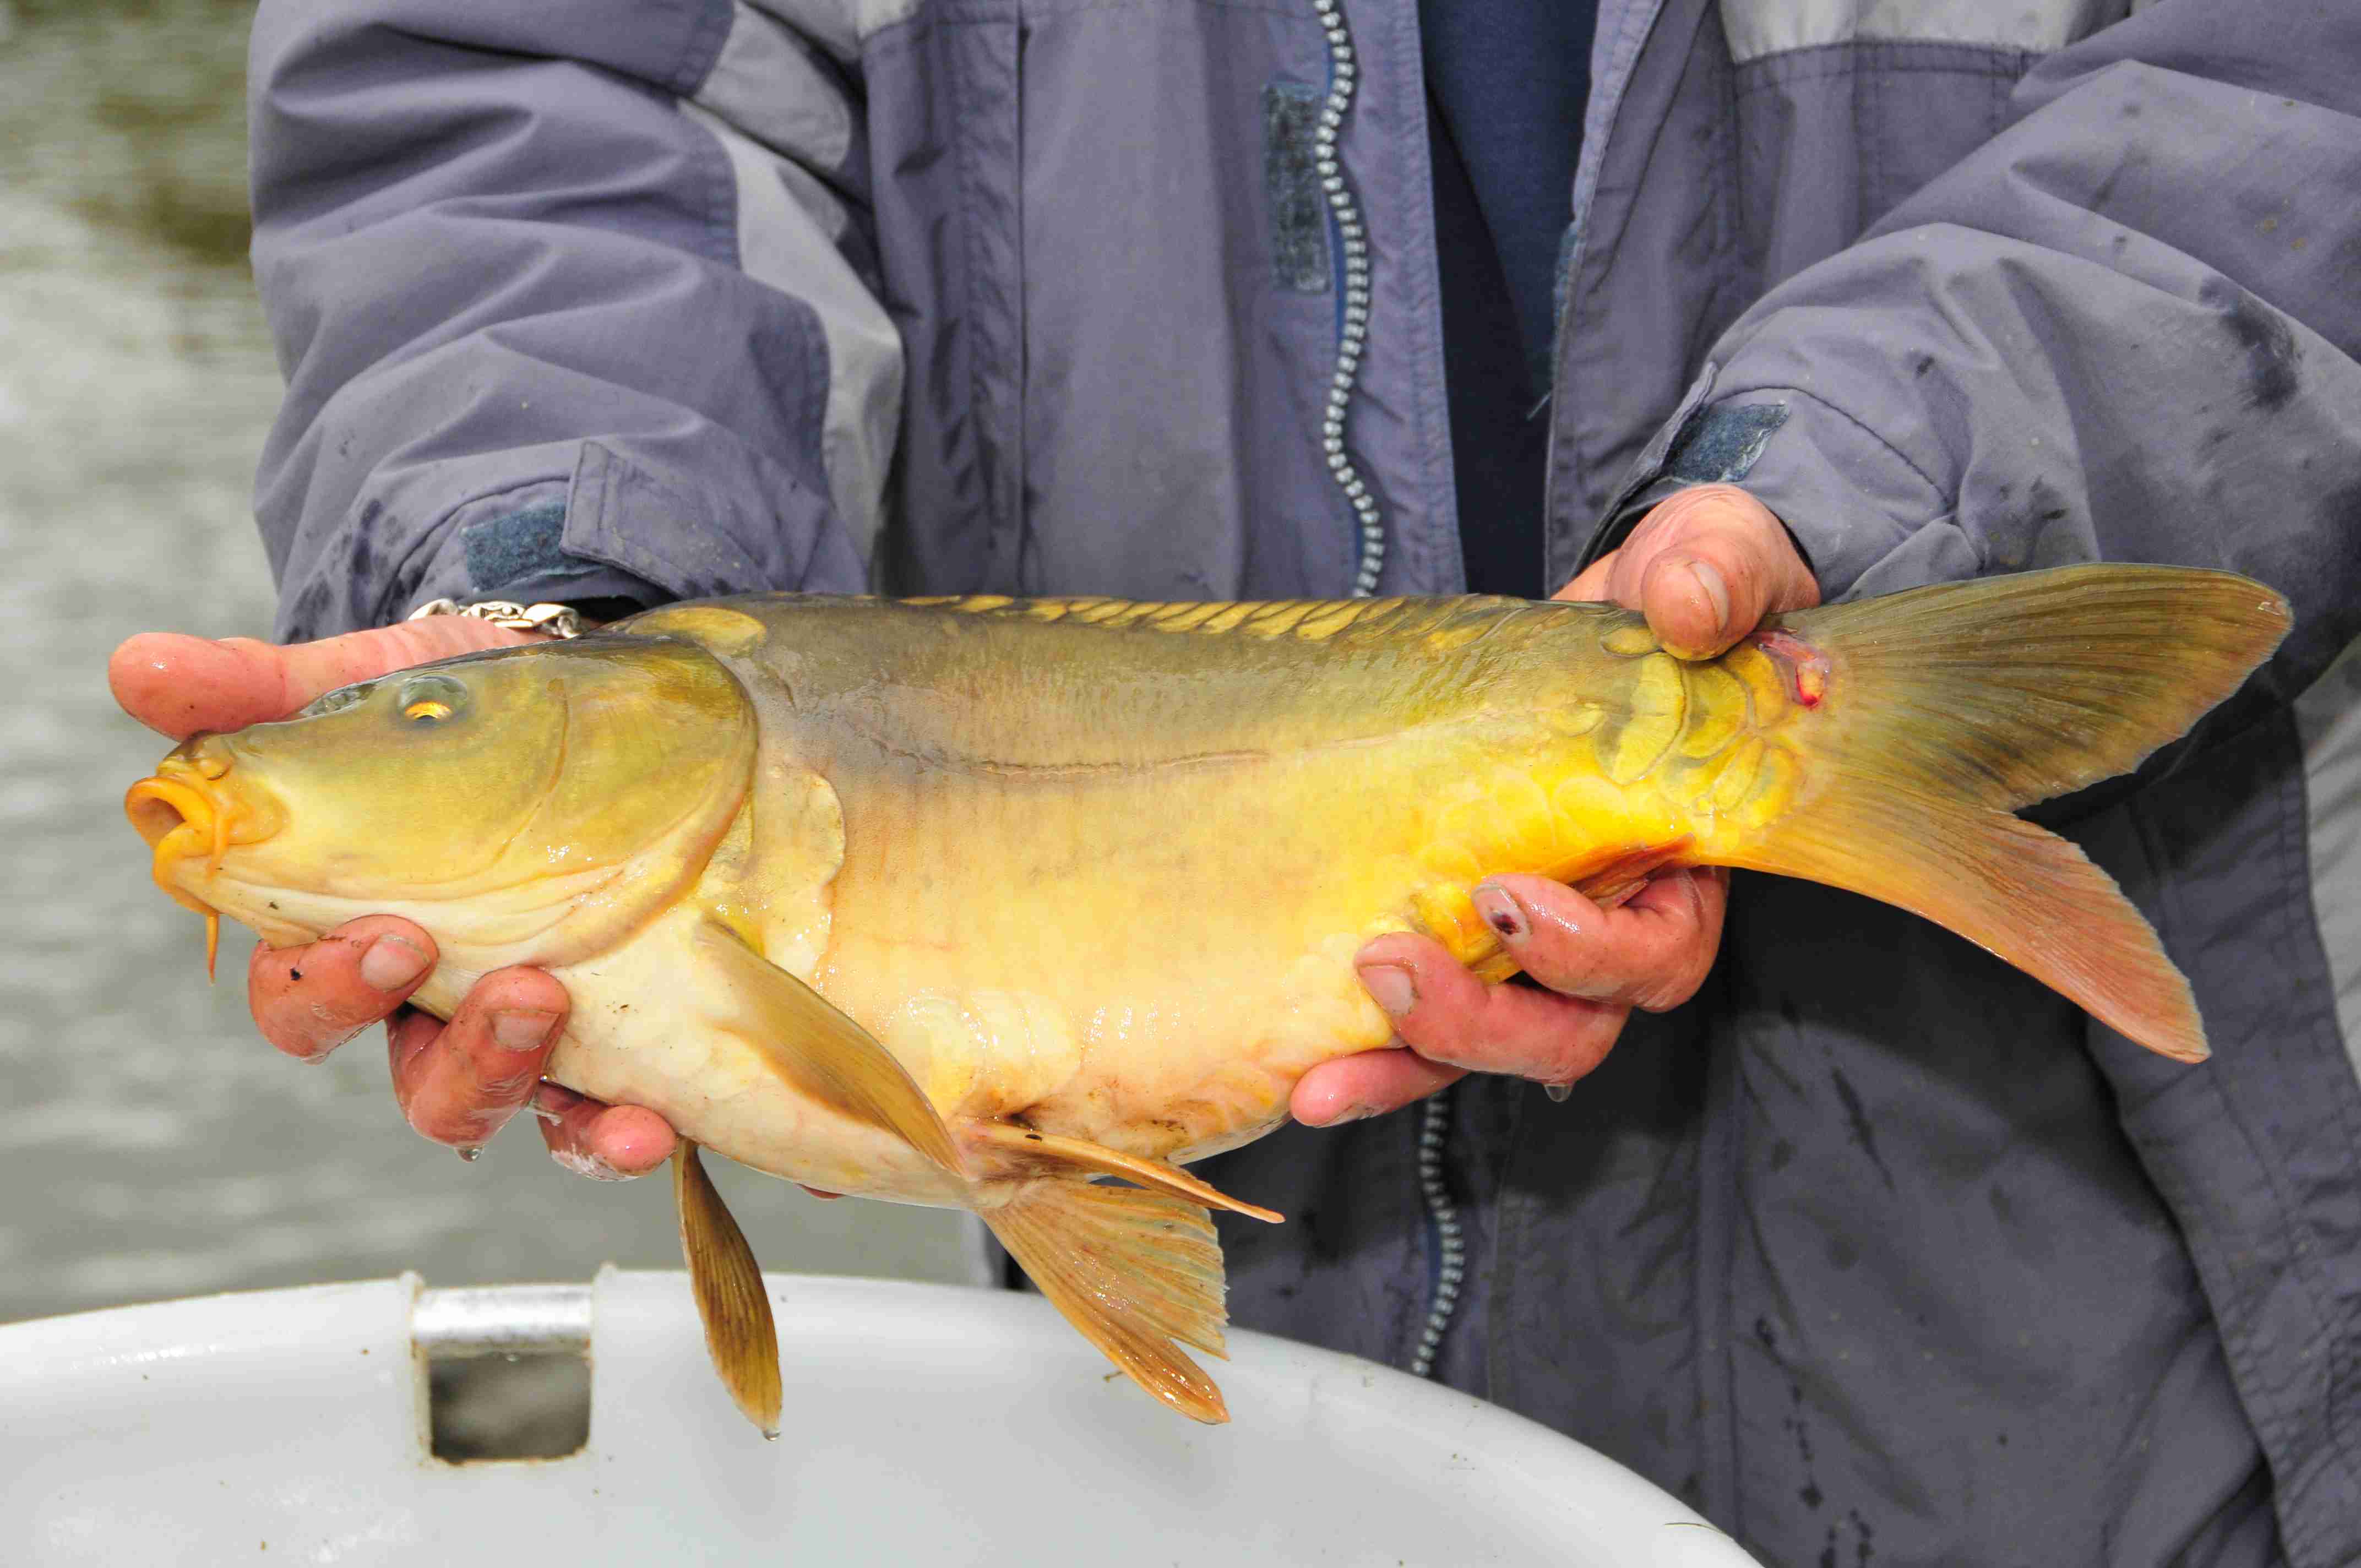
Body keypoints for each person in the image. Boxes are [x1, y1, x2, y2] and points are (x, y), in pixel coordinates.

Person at [107, 0, 2361, 1560]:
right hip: (1214, 1420)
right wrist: (539, 553)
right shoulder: (653, 785)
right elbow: (528, 86)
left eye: (408, 729)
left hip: (2153, 1304)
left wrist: (1888, 485)